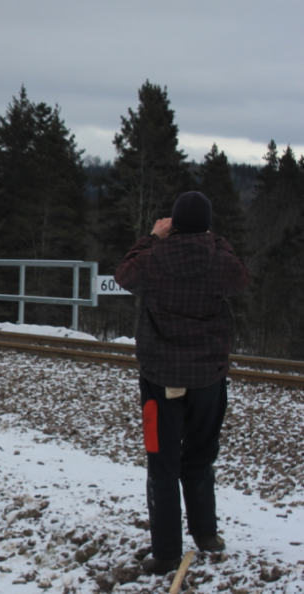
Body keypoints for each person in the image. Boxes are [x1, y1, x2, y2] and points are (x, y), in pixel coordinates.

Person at [114, 191, 251, 575]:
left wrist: (153, 237)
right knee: (201, 455)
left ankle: (166, 552)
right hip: (208, 378)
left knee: (162, 464)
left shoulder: (153, 258)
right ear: (207, 224)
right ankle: (206, 534)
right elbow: (242, 275)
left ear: (172, 222)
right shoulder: (220, 258)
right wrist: (214, 238)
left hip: (161, 378)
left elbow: (123, 274)